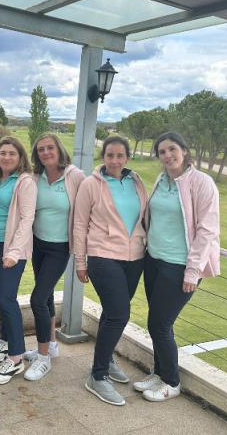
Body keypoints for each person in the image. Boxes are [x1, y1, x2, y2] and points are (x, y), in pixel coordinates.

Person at [135, 132, 220, 402]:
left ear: (184, 150)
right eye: (162, 152)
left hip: (180, 266)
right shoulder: (162, 180)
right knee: (159, 323)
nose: (168, 155)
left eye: (172, 149)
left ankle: (172, 382)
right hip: (154, 260)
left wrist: (193, 271)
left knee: (159, 324)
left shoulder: (202, 182)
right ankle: (159, 373)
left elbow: (207, 230)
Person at [73, 136, 148, 405]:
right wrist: (80, 262)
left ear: (127, 157)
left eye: (120, 155)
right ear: (103, 157)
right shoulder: (91, 184)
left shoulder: (136, 181)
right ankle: (98, 375)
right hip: (103, 255)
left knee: (112, 312)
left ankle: (105, 358)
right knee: (119, 313)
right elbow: (80, 224)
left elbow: (144, 217)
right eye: (109, 155)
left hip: (135, 257)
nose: (115, 160)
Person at [23, 133, 85, 381]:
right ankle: (51, 344)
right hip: (38, 244)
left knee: (37, 299)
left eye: (50, 148)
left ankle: (43, 357)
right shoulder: (35, 178)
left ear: (59, 150)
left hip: (60, 247)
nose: (46, 153)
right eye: (41, 150)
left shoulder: (75, 176)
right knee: (46, 295)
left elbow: (85, 211)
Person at [0, 136, 37, 385]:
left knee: (7, 299)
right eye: (2, 153)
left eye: (12, 154)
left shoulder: (25, 182)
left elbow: (27, 220)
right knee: (0, 297)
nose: (6, 157)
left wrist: (14, 252)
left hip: (12, 249)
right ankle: (5, 342)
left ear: (20, 158)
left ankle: (16, 358)